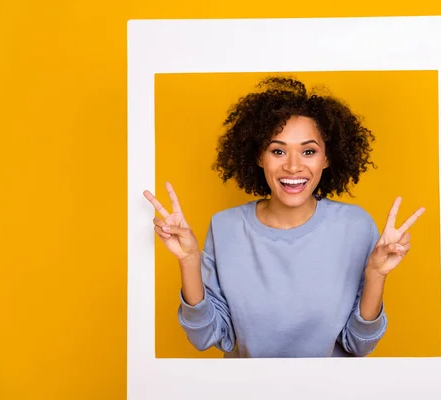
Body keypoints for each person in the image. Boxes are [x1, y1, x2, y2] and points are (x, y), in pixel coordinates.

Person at [143, 77, 425, 358]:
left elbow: (359, 344)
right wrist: (188, 261)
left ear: (327, 158)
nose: (293, 166)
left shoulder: (356, 227)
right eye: (278, 151)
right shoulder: (225, 227)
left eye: (309, 151)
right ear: (258, 157)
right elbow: (207, 337)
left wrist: (376, 275)